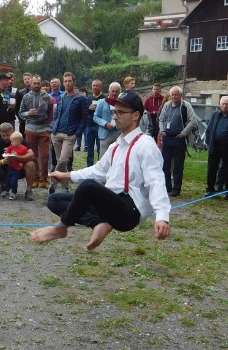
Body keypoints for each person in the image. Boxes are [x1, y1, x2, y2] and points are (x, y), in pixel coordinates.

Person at [32, 91, 171, 250]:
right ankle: (99, 224)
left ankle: (62, 227)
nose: (115, 117)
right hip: (110, 204)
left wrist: (162, 216)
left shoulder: (145, 145)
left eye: (120, 112)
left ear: (136, 115)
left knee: (88, 187)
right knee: (55, 200)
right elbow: (98, 171)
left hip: (129, 211)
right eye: (114, 112)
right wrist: (66, 175)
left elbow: (156, 181)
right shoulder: (116, 145)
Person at [156, 86, 197, 198]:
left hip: (179, 138)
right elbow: (161, 119)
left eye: (176, 95)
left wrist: (183, 133)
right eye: (172, 95)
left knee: (178, 165)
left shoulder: (186, 106)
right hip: (167, 138)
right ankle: (167, 187)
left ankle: (176, 189)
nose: (174, 97)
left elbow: (193, 120)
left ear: (181, 95)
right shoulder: (166, 105)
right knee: (165, 164)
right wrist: (162, 130)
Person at [49, 72, 86, 190]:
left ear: (74, 82)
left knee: (63, 160)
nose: (67, 83)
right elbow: (56, 114)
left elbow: (84, 118)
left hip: (70, 134)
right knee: (61, 163)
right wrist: (53, 129)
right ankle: (65, 187)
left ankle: (53, 182)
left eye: (69, 81)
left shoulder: (81, 98)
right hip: (56, 133)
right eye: (65, 81)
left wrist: (77, 134)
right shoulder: (61, 97)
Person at [0, 122, 36, 200]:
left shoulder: (20, 141)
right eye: (3, 135)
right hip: (5, 170)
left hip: (19, 168)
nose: (6, 138)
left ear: (13, 132)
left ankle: (29, 190)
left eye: (8, 135)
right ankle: (4, 185)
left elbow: (32, 155)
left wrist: (18, 158)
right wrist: (4, 161)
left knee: (30, 164)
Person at [20, 74, 54, 188]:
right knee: (33, 155)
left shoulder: (47, 97)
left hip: (44, 129)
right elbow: (20, 113)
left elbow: (51, 114)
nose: (36, 85)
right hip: (30, 128)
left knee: (45, 155)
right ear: (31, 84)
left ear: (41, 83)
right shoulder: (26, 97)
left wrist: (49, 127)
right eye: (34, 83)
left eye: (38, 83)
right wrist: (28, 113)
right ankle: (35, 178)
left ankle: (44, 179)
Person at [205, 95, 228, 198]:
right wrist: (208, 143)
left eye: (227, 104)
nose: (225, 106)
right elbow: (209, 129)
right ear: (220, 105)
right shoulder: (215, 115)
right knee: (212, 169)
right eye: (223, 104)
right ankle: (210, 190)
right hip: (215, 145)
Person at [92, 81, 122, 154]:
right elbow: (95, 117)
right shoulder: (102, 102)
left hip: (118, 134)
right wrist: (105, 124)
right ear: (109, 91)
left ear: (119, 92)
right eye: (112, 91)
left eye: (116, 91)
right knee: (103, 157)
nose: (114, 93)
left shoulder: (122, 103)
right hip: (105, 134)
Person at [0, 132, 32, 199]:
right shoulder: (11, 147)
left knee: (14, 181)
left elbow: (26, 157)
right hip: (10, 167)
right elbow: (7, 152)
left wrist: (22, 162)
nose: (11, 143)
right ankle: (6, 191)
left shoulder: (23, 149)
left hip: (17, 169)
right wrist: (7, 156)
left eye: (12, 142)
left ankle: (13, 193)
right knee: (8, 180)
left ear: (18, 141)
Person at [84, 79, 105, 166]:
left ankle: (100, 166)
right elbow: (84, 112)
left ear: (101, 87)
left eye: (97, 86)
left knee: (100, 148)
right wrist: (89, 109)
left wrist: (98, 109)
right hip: (89, 126)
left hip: (100, 126)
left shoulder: (104, 98)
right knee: (90, 148)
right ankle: (89, 166)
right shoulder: (89, 98)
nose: (95, 87)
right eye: (93, 86)